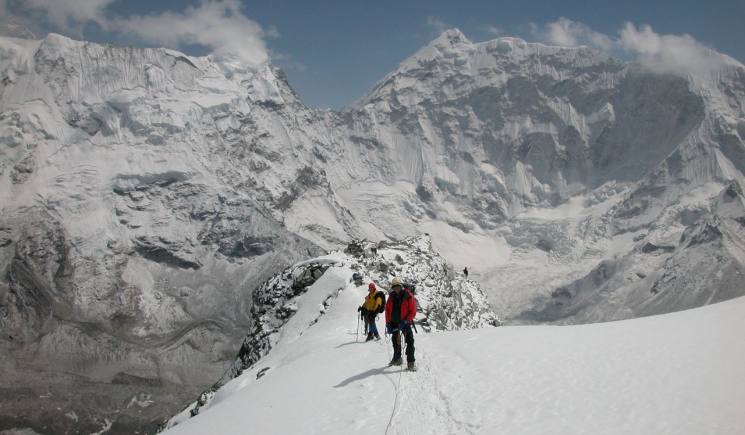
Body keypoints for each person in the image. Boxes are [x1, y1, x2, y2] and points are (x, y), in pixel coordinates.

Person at [385, 277, 417, 370]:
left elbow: (413, 311)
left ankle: (411, 362)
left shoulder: (408, 295)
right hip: (394, 323)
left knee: (409, 341)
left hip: (405, 323)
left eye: (397, 286)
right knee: (395, 341)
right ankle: (397, 358)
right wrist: (388, 323)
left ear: (400, 286)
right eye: (394, 286)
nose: (395, 288)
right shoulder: (391, 296)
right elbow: (387, 310)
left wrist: (407, 321)